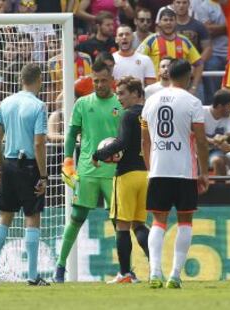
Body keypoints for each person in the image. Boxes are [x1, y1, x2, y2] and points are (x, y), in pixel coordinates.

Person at [53, 61, 123, 283]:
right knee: (76, 217)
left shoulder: (120, 104)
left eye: (103, 80)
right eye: (96, 81)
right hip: (87, 170)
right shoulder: (83, 103)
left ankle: (126, 269)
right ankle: (60, 267)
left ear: (111, 79)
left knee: (119, 222)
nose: (99, 85)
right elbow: (72, 134)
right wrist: (67, 161)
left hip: (114, 172)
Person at [141, 59, 209, 289]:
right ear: (189, 76)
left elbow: (145, 140)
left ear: (167, 74)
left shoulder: (150, 101)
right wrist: (204, 172)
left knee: (158, 221)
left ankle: (155, 272)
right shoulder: (193, 102)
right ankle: (175, 275)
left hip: (159, 170)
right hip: (184, 171)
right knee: (185, 221)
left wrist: (151, 168)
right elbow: (200, 140)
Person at [0, 64, 49, 286]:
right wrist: (43, 176)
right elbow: (39, 143)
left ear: (21, 79)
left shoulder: (5, 103)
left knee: (4, 217)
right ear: (39, 79)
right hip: (29, 165)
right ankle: (32, 276)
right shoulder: (39, 106)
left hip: (9, 165)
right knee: (32, 218)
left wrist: (1, 167)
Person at [92, 76, 149, 284]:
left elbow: (122, 142)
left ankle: (125, 274)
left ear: (135, 93)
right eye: (117, 93)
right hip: (146, 174)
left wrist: (98, 154)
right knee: (140, 225)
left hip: (126, 175)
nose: (119, 98)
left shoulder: (127, 115)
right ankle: (156, 269)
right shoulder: (150, 112)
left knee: (122, 226)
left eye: (122, 93)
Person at [137, 8, 203, 96]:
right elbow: (137, 60)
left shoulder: (184, 41)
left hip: (180, 91)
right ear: (159, 23)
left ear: (176, 22)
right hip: (157, 91)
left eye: (171, 20)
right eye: (165, 20)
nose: (168, 22)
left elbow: (199, 63)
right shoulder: (150, 40)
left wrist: (193, 87)